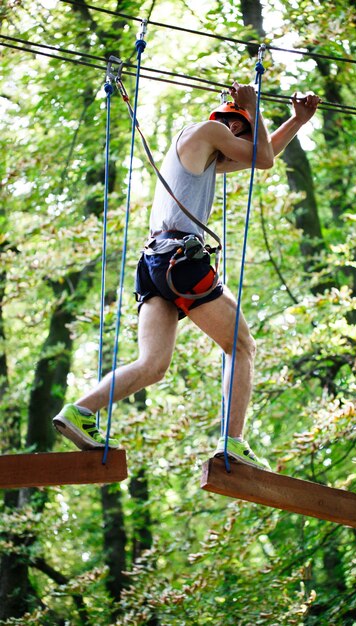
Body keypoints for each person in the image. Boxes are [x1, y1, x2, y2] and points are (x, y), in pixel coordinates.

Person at [53, 82, 320, 470]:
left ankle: (80, 411)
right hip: (180, 258)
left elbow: (262, 152)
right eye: (244, 130)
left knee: (153, 365)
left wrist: (296, 121)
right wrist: (254, 104)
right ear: (233, 124)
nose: (241, 142)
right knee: (241, 346)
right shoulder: (210, 130)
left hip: (155, 263)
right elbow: (263, 158)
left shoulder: (204, 152)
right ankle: (233, 442)